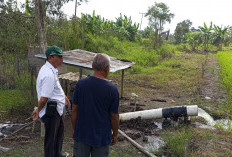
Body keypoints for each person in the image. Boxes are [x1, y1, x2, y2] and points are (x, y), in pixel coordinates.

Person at [72, 53, 119, 157]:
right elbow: (114, 116)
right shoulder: (112, 90)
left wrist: (74, 129)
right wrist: (115, 134)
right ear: (106, 68)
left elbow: (75, 109)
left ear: (93, 66)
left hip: (82, 134)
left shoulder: (81, 84)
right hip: (101, 137)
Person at [32, 45, 71, 157]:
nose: (61, 59)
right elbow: (44, 98)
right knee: (51, 139)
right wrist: (38, 110)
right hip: (51, 111)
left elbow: (56, 87)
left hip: (57, 109)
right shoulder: (48, 74)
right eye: (59, 57)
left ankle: (57, 154)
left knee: (58, 135)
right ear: (50, 57)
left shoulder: (53, 70)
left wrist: (64, 96)